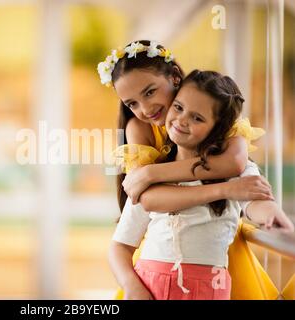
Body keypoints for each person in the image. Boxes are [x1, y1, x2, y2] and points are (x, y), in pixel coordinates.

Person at [96, 41, 294, 299]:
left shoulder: (224, 139)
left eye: (150, 92)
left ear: (175, 78)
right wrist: (223, 189)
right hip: (158, 265)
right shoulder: (140, 130)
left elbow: (241, 173)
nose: (145, 109)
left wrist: (149, 175)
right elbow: (147, 200)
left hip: (212, 265)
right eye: (132, 103)